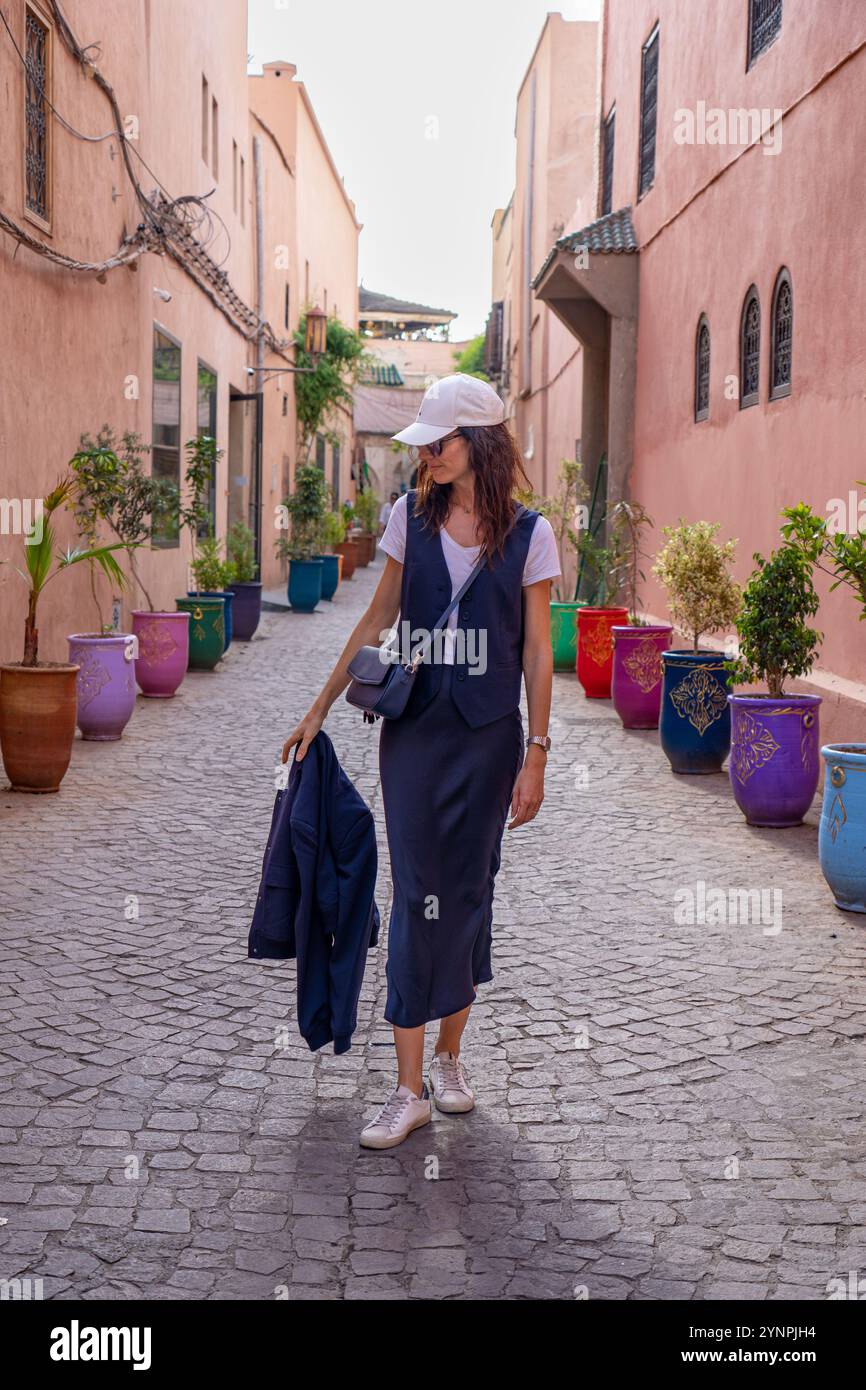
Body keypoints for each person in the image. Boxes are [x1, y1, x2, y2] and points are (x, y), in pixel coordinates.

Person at [281, 374, 560, 1150]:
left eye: (440, 442)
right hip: (414, 738)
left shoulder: (532, 534)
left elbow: (538, 650)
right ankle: (405, 1090)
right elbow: (378, 615)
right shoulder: (409, 516)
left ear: (481, 444)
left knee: (469, 895)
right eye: (426, 444)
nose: (428, 455)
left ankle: (449, 1060)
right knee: (415, 896)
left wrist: (536, 752)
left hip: (488, 743)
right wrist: (316, 709)